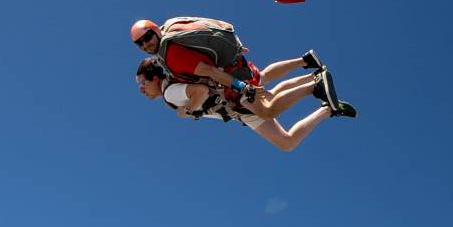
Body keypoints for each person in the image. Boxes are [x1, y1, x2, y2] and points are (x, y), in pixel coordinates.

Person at [136, 58, 356, 152]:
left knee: (286, 141)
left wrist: (189, 111)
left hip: (235, 105)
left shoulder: (169, 93)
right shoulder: (173, 82)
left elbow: (200, 92)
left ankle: (319, 93)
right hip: (234, 99)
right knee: (271, 92)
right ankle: (316, 81)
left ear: (154, 78)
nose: (141, 90)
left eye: (142, 83)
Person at [130, 17, 340, 112]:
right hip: (232, 58)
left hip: (230, 73)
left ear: (155, 31)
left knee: (267, 108)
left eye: (147, 37)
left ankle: (316, 86)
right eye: (140, 43)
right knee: (264, 77)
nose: (146, 44)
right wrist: (235, 46)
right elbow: (208, 27)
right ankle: (306, 61)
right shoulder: (171, 25)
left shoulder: (171, 55)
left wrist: (241, 87)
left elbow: (209, 71)